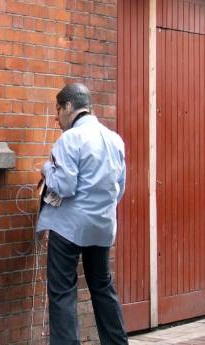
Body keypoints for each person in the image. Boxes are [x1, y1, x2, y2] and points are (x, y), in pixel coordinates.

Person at [37, 83, 128, 345]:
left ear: (68, 107)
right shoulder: (114, 139)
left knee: (63, 292)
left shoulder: (70, 139)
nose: (56, 118)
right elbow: (119, 188)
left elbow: (64, 186)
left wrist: (46, 169)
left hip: (69, 227)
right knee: (102, 287)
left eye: (57, 109)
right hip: (102, 226)